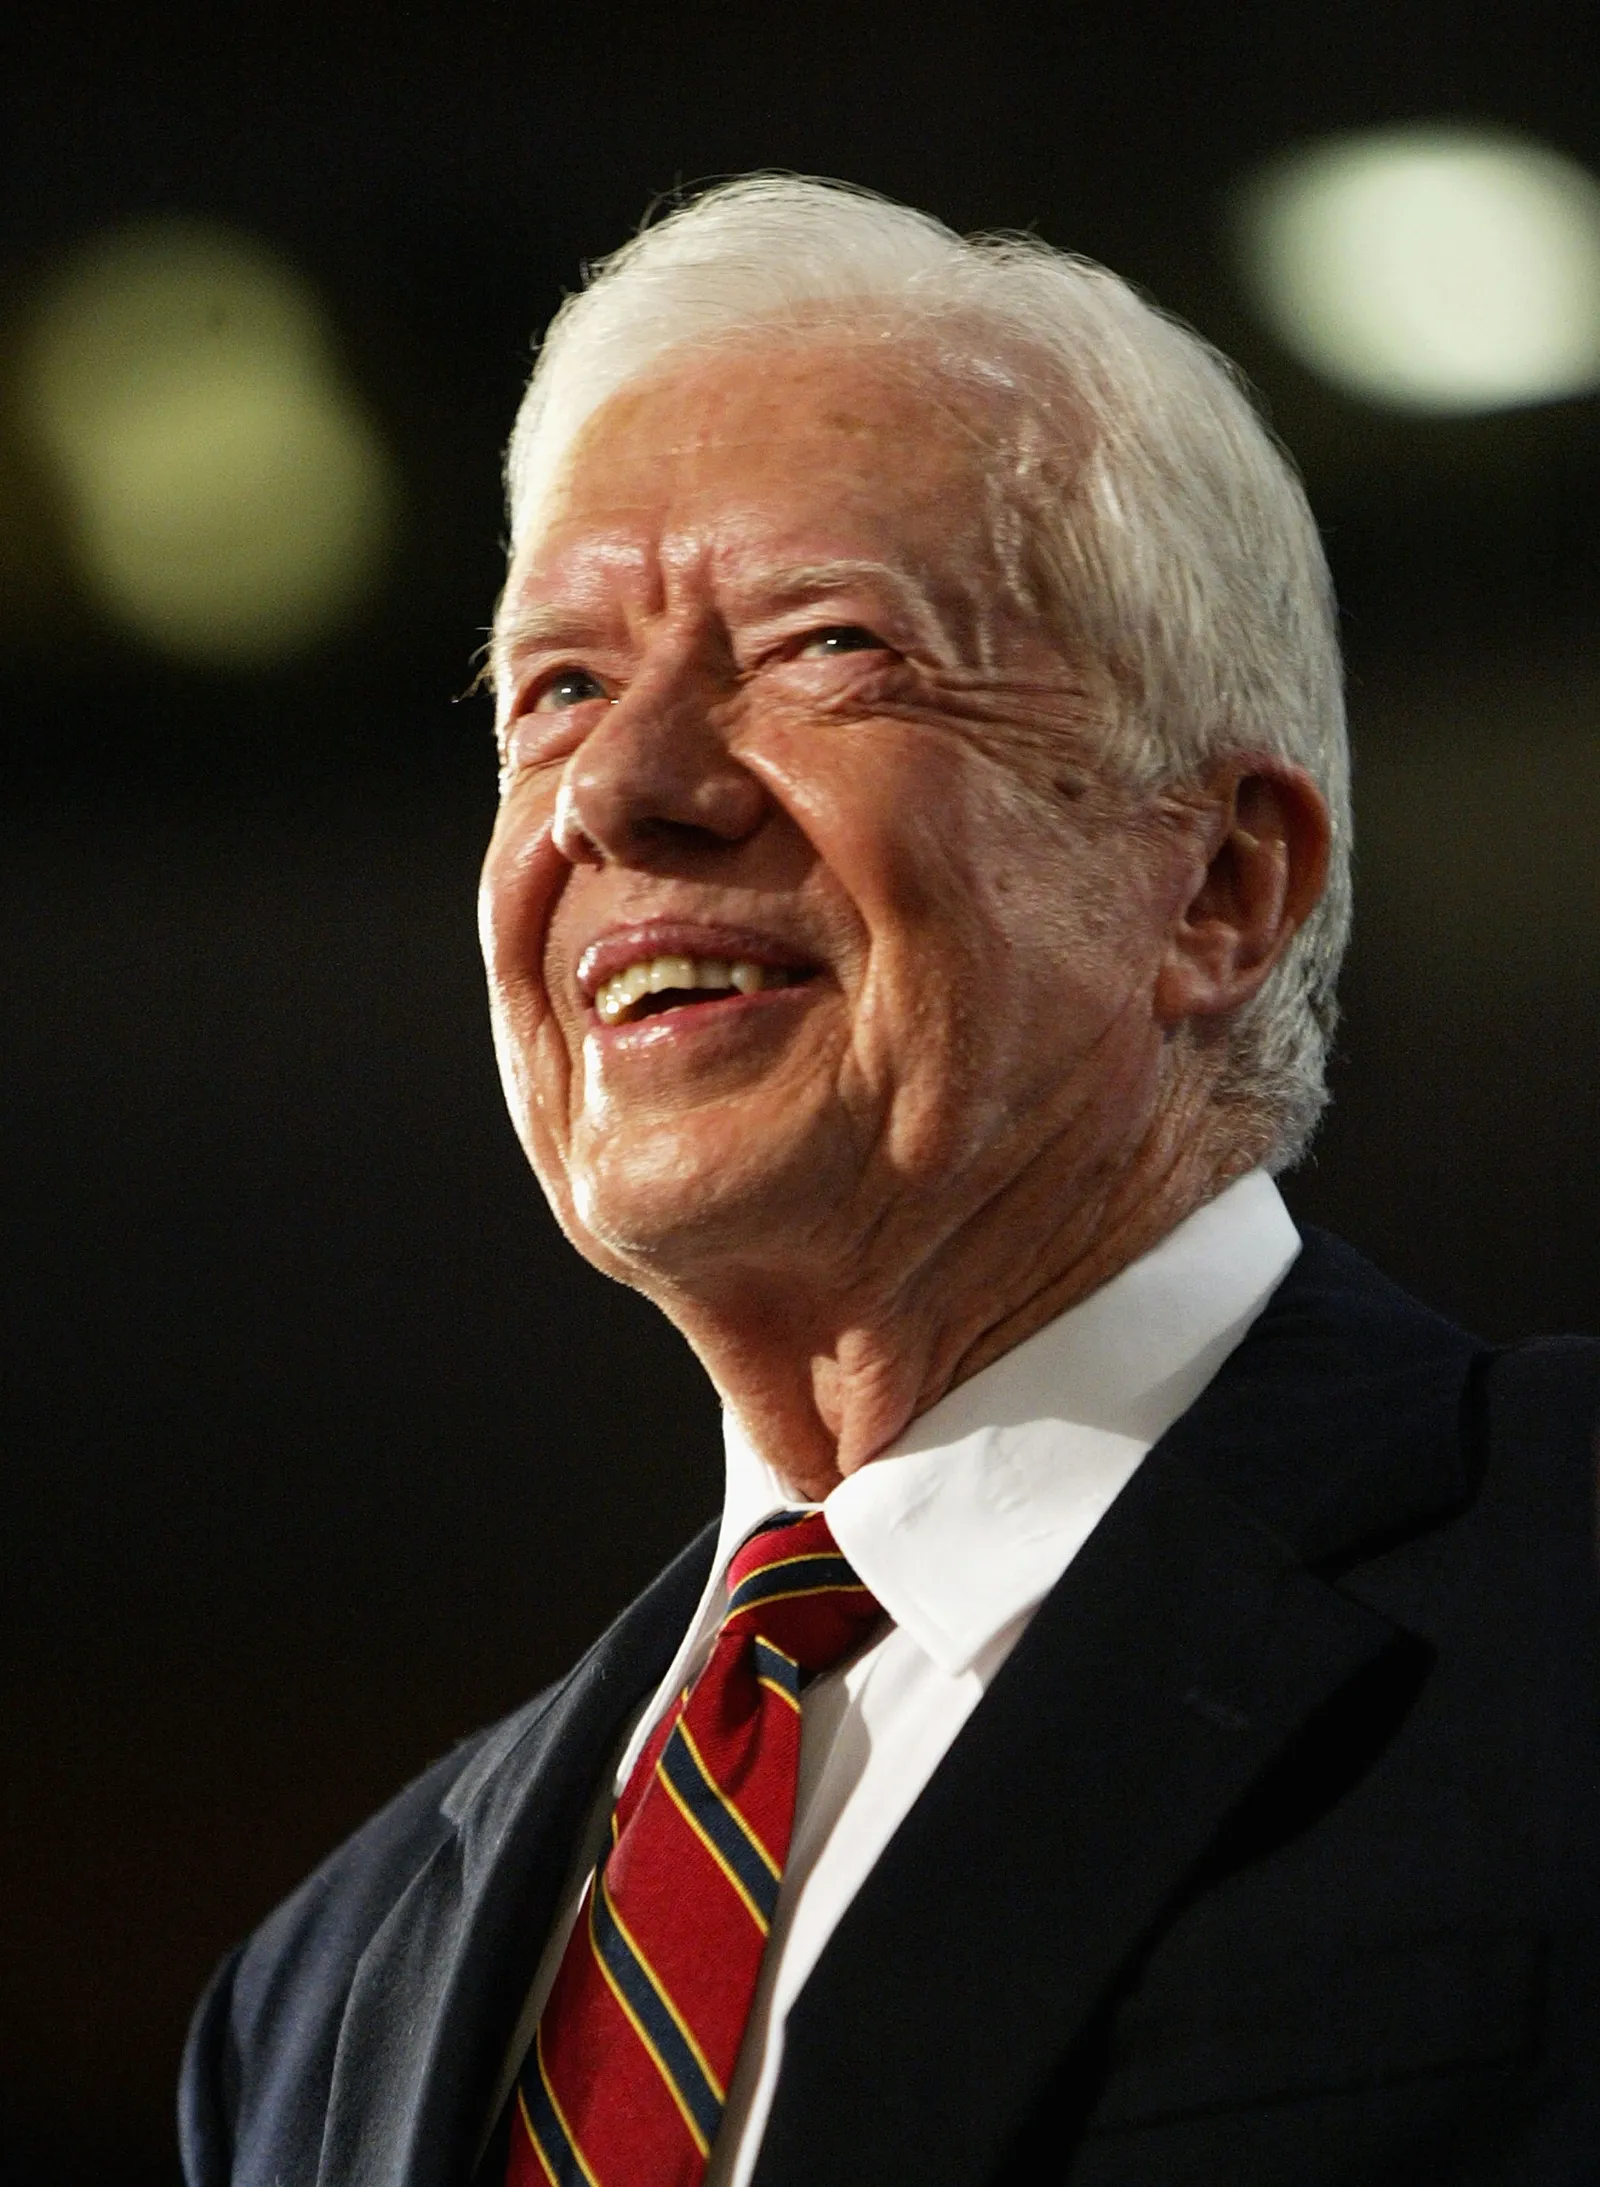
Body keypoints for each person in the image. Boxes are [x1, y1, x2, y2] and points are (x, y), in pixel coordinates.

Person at [178, 176, 1600, 2187]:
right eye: (555, 686)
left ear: (1213, 884)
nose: (616, 786)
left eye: (825, 646)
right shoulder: (321, 1999)